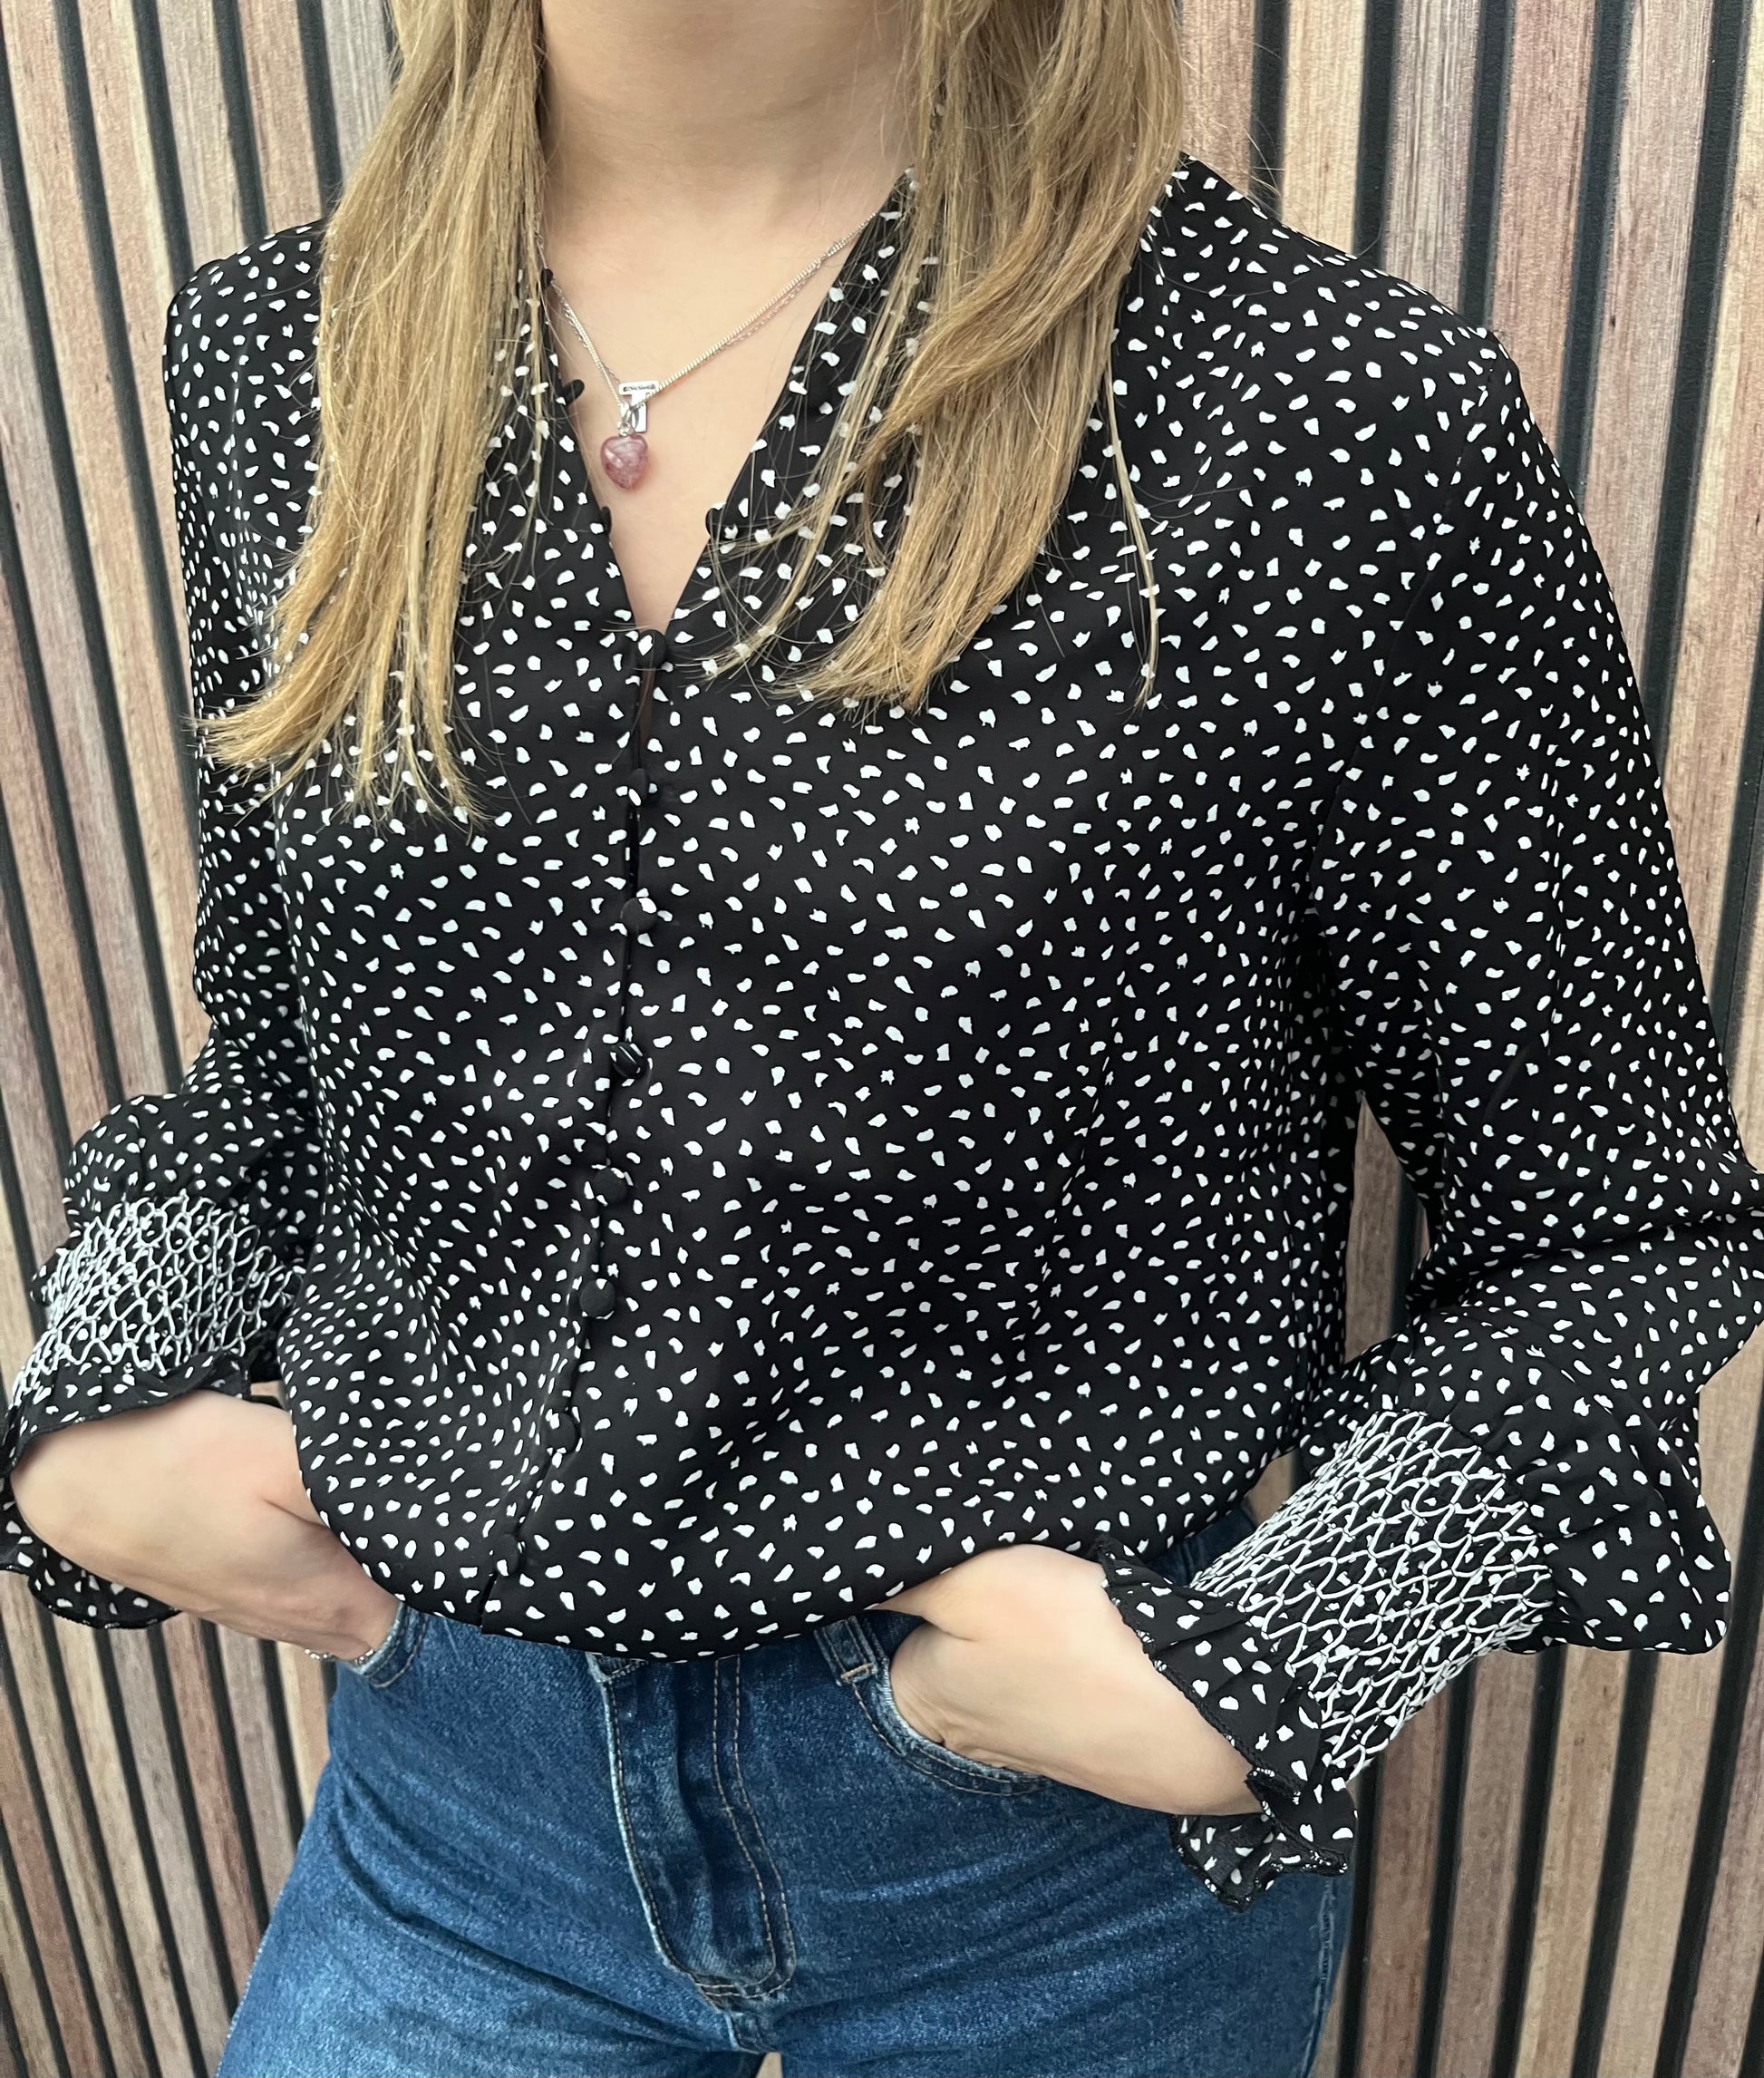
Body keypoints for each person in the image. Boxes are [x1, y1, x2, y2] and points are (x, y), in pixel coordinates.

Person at [5, 2, 1760, 2073]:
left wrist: (1282, 1666)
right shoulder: (284, 359)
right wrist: (94, 1399)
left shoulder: (1314, 408)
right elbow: (289, 1078)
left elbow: (1616, 1220)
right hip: (456, 1798)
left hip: (1048, 1859)